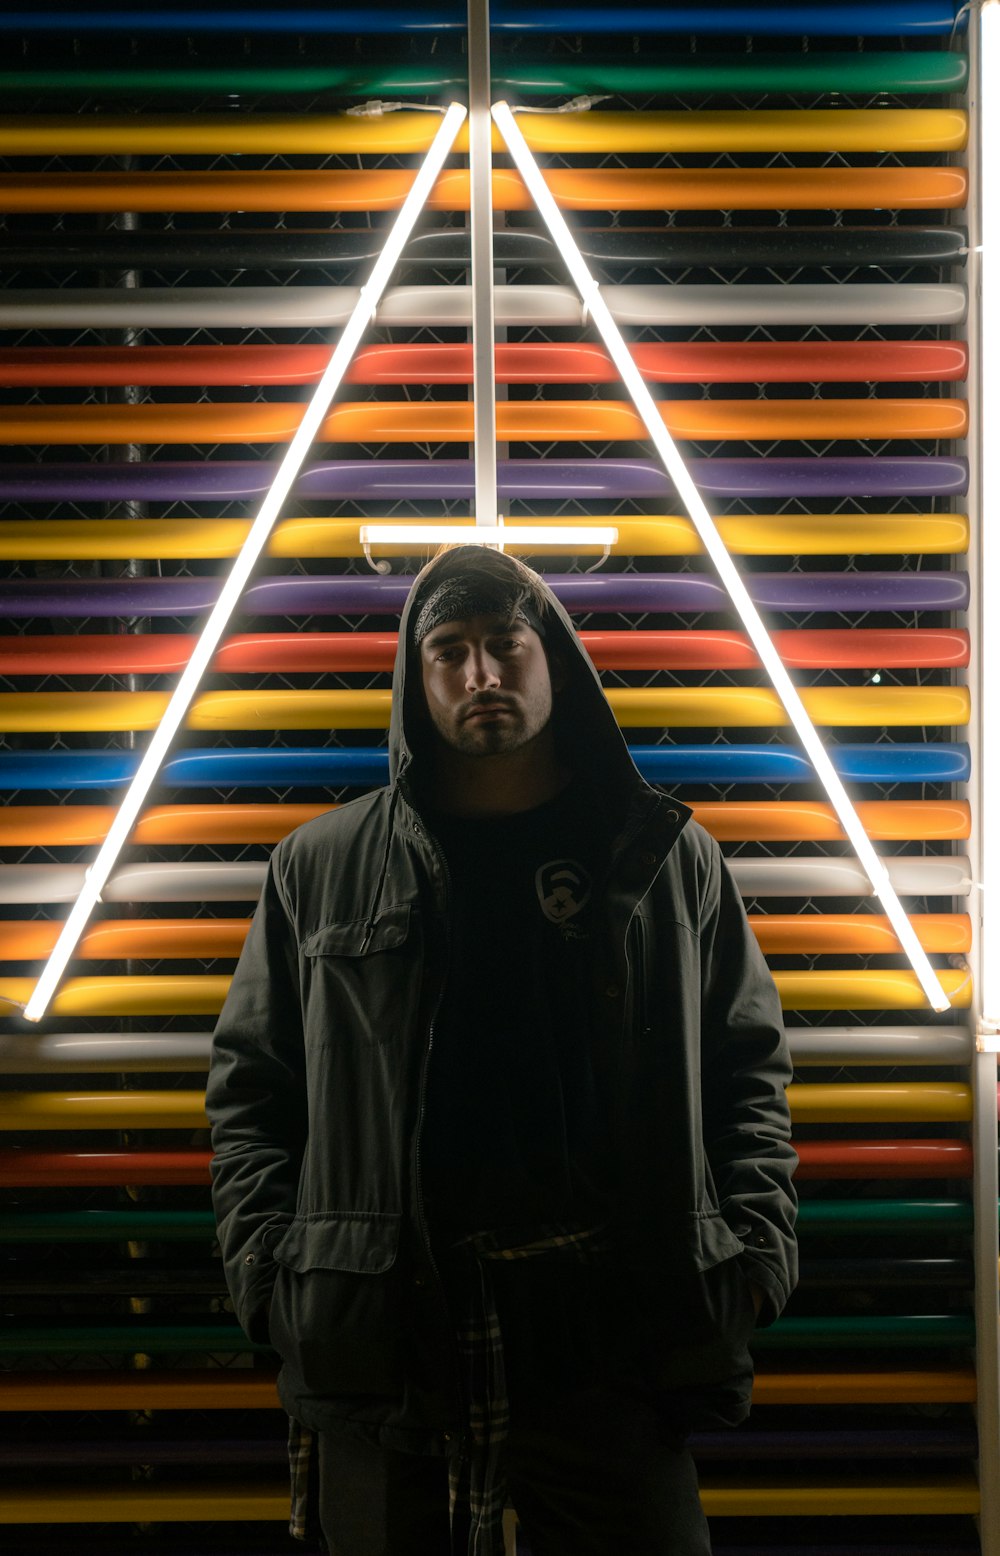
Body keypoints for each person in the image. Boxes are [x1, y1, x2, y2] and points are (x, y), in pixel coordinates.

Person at [206, 544, 797, 1556]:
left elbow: (746, 1063)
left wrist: (754, 1251)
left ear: (552, 657)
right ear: (415, 675)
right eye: (449, 651)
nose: (480, 675)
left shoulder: (654, 850)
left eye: (503, 644)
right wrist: (270, 1271)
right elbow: (253, 1089)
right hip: (386, 1321)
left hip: (612, 1325)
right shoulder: (322, 863)